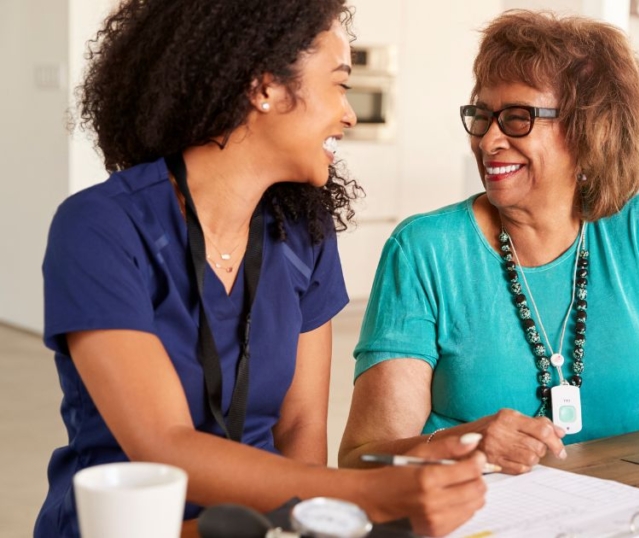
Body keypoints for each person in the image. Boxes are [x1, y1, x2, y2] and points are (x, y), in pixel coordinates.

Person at [36, 1, 485, 536]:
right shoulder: (99, 227)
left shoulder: (304, 232)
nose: (349, 114)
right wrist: (369, 495)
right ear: (265, 86)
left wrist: (318, 522)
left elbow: (300, 428)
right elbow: (164, 445)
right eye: (340, 84)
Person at [339, 10, 639, 475]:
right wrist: (461, 445)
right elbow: (365, 456)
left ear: (589, 129)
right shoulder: (426, 251)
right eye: (482, 116)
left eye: (517, 118)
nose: (488, 141)